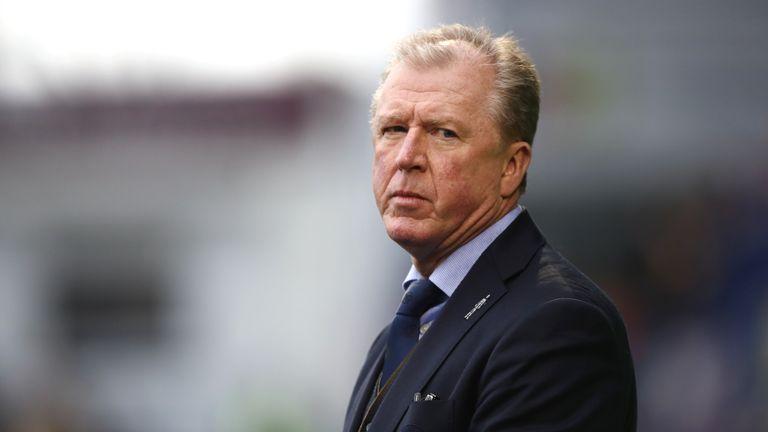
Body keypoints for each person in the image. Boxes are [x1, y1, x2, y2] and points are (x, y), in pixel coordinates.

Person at [344, 24, 636, 432]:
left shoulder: (557, 324)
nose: (406, 157)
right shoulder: (396, 337)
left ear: (511, 167)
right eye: (393, 130)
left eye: (443, 133)